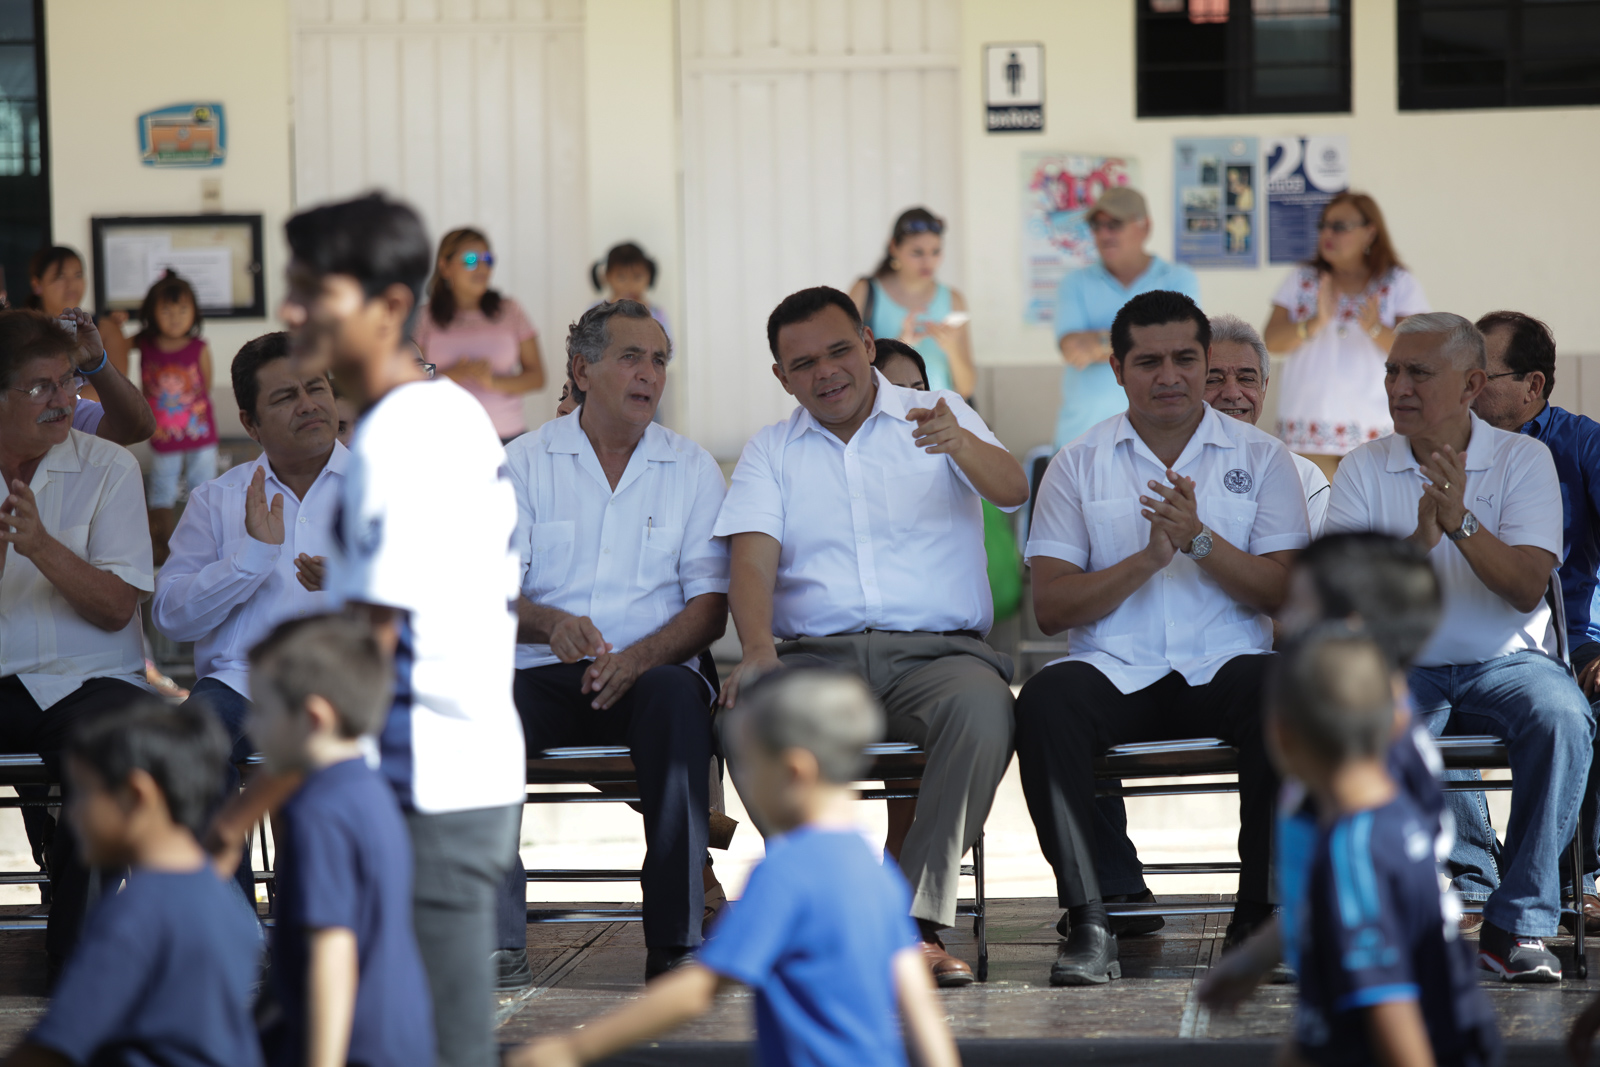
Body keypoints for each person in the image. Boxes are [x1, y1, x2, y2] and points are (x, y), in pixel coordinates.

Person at [714, 286, 1027, 987]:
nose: (825, 372)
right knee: (749, 710)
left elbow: (1011, 488)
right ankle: (826, 906)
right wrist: (758, 648)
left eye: (836, 350)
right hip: (817, 661)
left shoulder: (935, 414)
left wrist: (961, 442)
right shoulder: (771, 451)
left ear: (864, 342)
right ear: (781, 377)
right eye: (803, 363)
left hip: (940, 656)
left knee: (983, 709)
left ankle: (910, 925)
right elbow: (752, 559)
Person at [279, 193, 525, 1067]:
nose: (291, 310)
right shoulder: (444, 410)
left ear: (388, 307)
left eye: (315, 291)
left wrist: (249, 805)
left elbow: (367, 645)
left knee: (433, 1044)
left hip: (425, 784)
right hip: (451, 771)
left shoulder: (401, 434)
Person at [1014, 290, 1309, 986]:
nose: (1169, 375)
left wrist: (1199, 541)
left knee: (1283, 688)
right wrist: (1147, 559)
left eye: (1185, 358)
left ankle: (1261, 914)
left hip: (1227, 664)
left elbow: (1285, 592)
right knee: (1045, 698)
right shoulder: (1078, 462)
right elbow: (1052, 607)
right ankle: (1090, 919)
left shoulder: (1264, 459)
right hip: (1115, 669)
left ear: (1207, 362)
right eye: (1149, 361)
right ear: (1117, 368)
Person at [506, 670, 960, 1067]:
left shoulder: (787, 874)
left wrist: (575, 1049)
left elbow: (699, 990)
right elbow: (915, 1002)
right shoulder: (874, 874)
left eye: (751, 767)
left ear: (793, 771)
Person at [1325, 312, 1594, 982]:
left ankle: (1518, 925)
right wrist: (1419, 542)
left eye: (1419, 372)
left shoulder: (1524, 459)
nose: (1399, 385)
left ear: (1472, 383)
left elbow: (1528, 587)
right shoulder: (1364, 466)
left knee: (1562, 717)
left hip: (1508, 662)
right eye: (1392, 370)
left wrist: (1462, 522)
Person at [497, 299, 729, 984]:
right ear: (582, 368)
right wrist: (547, 622)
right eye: (632, 356)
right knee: (477, 712)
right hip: (539, 669)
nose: (649, 373)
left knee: (677, 700)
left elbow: (710, 606)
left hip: (650, 672)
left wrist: (637, 656)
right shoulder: (523, 462)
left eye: (659, 359)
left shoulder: (690, 467)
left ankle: (677, 941)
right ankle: (495, 939)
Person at [1200, 532, 1448, 1009]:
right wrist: (1258, 958)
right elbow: (1320, 895)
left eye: (1301, 610)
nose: (1282, 621)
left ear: (1352, 629)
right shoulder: (1342, 773)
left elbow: (1396, 1026)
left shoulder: (1367, 829)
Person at [150, 331, 346, 891]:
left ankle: (311, 941)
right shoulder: (217, 500)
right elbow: (170, 616)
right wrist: (249, 559)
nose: (309, 404)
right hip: (241, 688)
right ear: (250, 422)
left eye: (316, 388)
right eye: (285, 397)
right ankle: (232, 940)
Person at [0, 309, 155, 968]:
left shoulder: (109, 465)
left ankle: (79, 962)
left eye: (68, 382)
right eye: (42, 387)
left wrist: (39, 548)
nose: (65, 400)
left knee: (108, 752)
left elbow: (117, 607)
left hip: (94, 680)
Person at [1266, 629, 1498, 1067]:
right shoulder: (1397, 819)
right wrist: (1248, 964)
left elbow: (1392, 1016)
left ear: (1282, 735)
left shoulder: (1353, 856)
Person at [3, 701, 263, 1067]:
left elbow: (53, 1047)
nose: (73, 813)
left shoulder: (135, 915)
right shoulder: (222, 902)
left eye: (84, 794)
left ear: (136, 795)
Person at [250, 615, 433, 1067]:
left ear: (313, 717)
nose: (252, 727)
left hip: (350, 1047)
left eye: (262, 710)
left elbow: (331, 951)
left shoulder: (318, 813)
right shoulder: (369, 791)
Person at [1468, 310, 1600, 933]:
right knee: (1419, 687)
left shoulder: (1581, 444)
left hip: (1573, 639)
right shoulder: (1446, 447)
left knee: (1580, 701)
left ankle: (1578, 877)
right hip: (1471, 636)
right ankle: (1470, 877)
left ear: (1535, 386)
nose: (1469, 388)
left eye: (1484, 375)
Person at [1263, 192, 1429, 477]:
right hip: (1308, 434)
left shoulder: (1398, 282)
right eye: (1324, 226)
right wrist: (1314, 323)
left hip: (1377, 435)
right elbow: (1271, 342)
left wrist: (1375, 328)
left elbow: (1420, 350)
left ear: (1370, 232)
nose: (1328, 233)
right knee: (1315, 518)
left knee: (1373, 521)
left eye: (1339, 227)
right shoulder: (1302, 279)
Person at [1050, 186, 1201, 451]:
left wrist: (1098, 342)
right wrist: (1150, 340)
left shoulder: (1178, 278)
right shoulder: (1074, 282)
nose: (1104, 234)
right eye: (1097, 226)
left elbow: (1179, 341)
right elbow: (1072, 348)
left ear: (1145, 227)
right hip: (1082, 443)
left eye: (1114, 224)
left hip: (1159, 442)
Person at [413, 227, 545, 444]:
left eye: (487, 259)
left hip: (508, 440)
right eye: (471, 259)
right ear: (445, 267)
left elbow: (537, 377)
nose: (482, 267)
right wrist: (450, 375)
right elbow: (406, 381)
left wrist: (493, 381)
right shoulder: (423, 318)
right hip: (444, 441)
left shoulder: (511, 310)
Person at [1206, 314, 1331, 537]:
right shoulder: (1163, 469)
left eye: (1246, 379)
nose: (1233, 394)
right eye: (1214, 380)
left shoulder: (1304, 478)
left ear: (1264, 386)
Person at [133, 271, 218, 564]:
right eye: (166, 310)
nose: (175, 317)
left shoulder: (199, 347)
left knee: (203, 485)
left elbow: (205, 385)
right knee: (162, 488)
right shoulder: (145, 343)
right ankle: (162, 549)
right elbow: (114, 343)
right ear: (151, 313)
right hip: (162, 434)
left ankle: (206, 545)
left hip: (200, 433)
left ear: (194, 312)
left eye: (182, 310)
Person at [848, 207, 975, 397]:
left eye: (936, 251)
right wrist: (901, 344)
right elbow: (847, 369)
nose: (928, 261)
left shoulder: (954, 300)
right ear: (893, 247)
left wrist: (952, 349)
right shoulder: (865, 292)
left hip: (940, 418)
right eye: (917, 252)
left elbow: (967, 388)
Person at [25, 246, 140, 416]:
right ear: (37, 284)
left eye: (78, 275)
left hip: (95, 430)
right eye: (60, 276)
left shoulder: (107, 329)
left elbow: (115, 392)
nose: (71, 284)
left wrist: (46, 400)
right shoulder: (23, 330)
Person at [589, 242, 673, 342]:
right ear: (607, 277)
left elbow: (669, 348)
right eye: (621, 277)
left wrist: (647, 316)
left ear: (649, 276)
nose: (630, 284)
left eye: (637, 277)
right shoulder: (596, 310)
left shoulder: (656, 312)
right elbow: (588, 343)